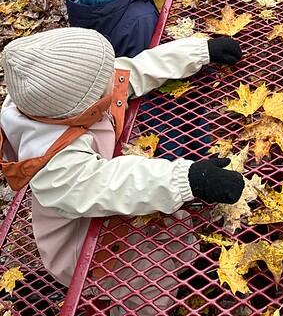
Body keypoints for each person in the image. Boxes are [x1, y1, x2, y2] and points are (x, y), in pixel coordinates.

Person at [0, 27, 244, 290]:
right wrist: (188, 179)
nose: (114, 79)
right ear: (87, 105)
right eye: (106, 78)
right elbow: (110, 184)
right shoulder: (53, 163)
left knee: (173, 228)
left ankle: (187, 272)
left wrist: (199, 51)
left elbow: (137, 70)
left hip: (115, 209)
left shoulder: (69, 97)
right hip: (87, 249)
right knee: (148, 284)